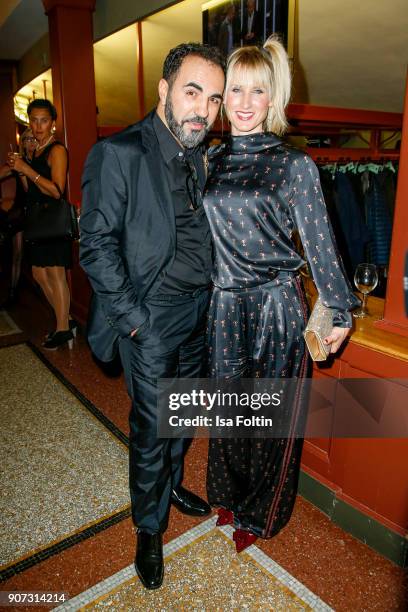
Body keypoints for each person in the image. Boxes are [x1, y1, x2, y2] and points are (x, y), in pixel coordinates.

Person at [203, 36, 359, 552]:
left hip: (276, 304)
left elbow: (320, 243)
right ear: (222, 98)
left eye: (258, 92)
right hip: (224, 303)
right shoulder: (210, 161)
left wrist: (338, 309)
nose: (245, 103)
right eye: (236, 91)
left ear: (275, 100)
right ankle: (227, 495)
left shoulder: (295, 165)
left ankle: (260, 514)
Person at [79, 43, 225, 590]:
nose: (202, 111)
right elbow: (94, 246)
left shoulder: (202, 153)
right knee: (152, 429)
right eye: (192, 93)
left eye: (212, 100)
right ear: (163, 90)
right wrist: (137, 322)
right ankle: (148, 527)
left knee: (184, 419)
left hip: (198, 314)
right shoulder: (118, 154)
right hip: (152, 319)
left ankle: (171, 483)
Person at [7, 99, 75, 349]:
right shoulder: (34, 149)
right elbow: (31, 189)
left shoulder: (57, 150)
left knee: (56, 274)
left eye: (44, 120)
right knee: (38, 273)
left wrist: (27, 168)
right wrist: (22, 169)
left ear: (53, 124)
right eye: (33, 120)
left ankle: (63, 329)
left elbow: (56, 191)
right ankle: (64, 318)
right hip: (38, 220)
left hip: (53, 220)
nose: (38, 126)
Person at [0, 128, 37, 307]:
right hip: (19, 212)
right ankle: (13, 292)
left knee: (31, 257)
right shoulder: (18, 161)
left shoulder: (41, 163)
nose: (29, 142)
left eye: (32, 139)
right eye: (26, 139)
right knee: (17, 253)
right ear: (21, 143)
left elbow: (31, 192)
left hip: (35, 212)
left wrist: (22, 170)